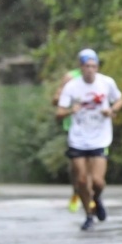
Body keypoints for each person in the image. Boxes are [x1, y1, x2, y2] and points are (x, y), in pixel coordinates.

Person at [55, 49, 122, 231]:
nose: (90, 70)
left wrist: (111, 110)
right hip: (78, 139)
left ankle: (97, 198)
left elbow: (120, 100)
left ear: (97, 67)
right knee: (81, 181)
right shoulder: (72, 86)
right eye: (87, 66)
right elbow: (59, 113)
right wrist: (71, 110)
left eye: (93, 66)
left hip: (100, 138)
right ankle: (88, 215)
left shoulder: (106, 82)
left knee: (97, 182)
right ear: (81, 67)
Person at [53, 65, 84, 212]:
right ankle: (76, 192)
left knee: (94, 163)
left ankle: (91, 196)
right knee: (76, 166)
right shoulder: (70, 77)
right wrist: (68, 99)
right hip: (74, 127)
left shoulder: (100, 79)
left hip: (95, 129)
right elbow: (55, 101)